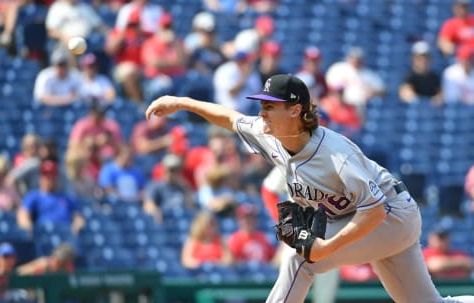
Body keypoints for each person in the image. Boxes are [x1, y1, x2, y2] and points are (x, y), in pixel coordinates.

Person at [145, 74, 474, 303]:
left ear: (295, 110)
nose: (262, 112)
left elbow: (372, 211)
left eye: (270, 106)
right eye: (262, 105)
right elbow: (230, 118)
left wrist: (327, 248)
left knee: (301, 260)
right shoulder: (269, 132)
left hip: (390, 215)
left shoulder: (335, 154)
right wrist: (182, 101)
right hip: (363, 217)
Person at [17, 160, 85, 235]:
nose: (49, 178)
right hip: (45, 234)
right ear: (41, 177)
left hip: (66, 234)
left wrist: (77, 225)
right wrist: (29, 229)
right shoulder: (34, 196)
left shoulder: (65, 198)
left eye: (52, 175)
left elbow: (78, 217)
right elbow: (23, 215)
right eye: (46, 175)